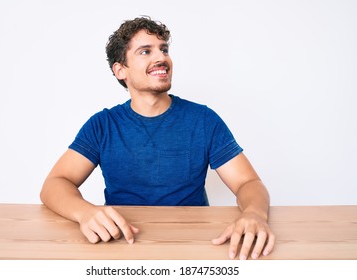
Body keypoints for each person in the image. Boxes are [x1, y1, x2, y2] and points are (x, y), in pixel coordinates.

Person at [40, 16, 275, 260]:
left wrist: (254, 214)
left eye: (164, 49)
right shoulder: (103, 125)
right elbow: (55, 183)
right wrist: (84, 213)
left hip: (192, 246)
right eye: (145, 51)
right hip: (123, 245)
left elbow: (248, 183)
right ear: (121, 70)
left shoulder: (203, 120)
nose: (161, 57)